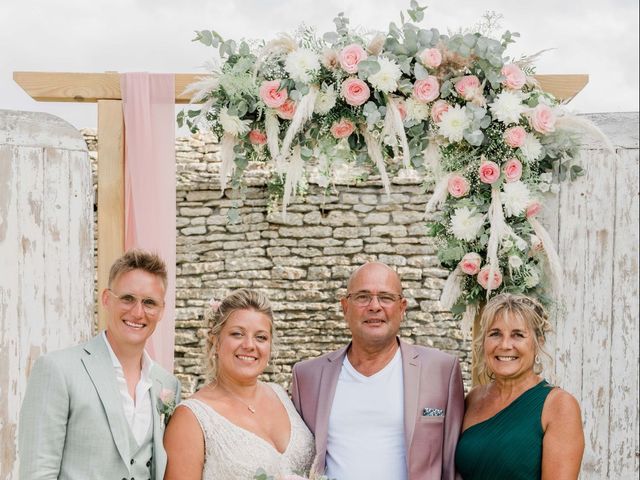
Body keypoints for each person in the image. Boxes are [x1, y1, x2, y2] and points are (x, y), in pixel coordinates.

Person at [291, 261, 465, 480]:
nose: (374, 306)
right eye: (363, 296)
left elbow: (452, 462)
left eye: (386, 297)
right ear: (345, 307)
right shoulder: (307, 376)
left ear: (402, 308)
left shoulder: (441, 371)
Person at [19, 249, 182, 480]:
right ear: (106, 299)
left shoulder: (168, 385)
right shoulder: (58, 370)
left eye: (149, 302)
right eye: (127, 298)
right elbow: (37, 474)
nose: (138, 312)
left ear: (161, 310)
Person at [163, 289, 315, 480]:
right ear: (215, 341)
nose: (249, 345)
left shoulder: (282, 395)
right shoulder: (190, 418)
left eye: (261, 337)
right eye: (237, 334)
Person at [455, 293, 584, 479]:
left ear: (537, 343)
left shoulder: (559, 406)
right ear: (484, 342)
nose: (505, 345)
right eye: (495, 334)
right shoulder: (474, 398)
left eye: (518, 335)